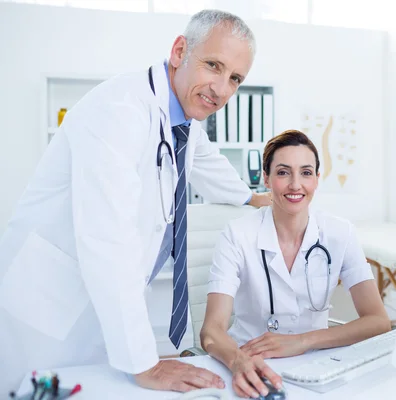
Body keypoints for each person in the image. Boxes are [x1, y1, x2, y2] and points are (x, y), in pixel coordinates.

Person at [0, 9, 271, 395]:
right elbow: (108, 240)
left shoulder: (184, 119)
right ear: (180, 51)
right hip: (45, 303)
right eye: (214, 65)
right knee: (27, 390)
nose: (222, 89)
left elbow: (207, 163)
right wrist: (145, 364)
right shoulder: (119, 112)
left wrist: (253, 197)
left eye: (235, 79)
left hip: (94, 306)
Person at [200, 130, 391, 398]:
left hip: (318, 365)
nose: (295, 184)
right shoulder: (237, 234)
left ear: (316, 179)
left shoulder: (339, 233)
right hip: (250, 361)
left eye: (306, 172)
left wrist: (302, 341)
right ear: (265, 178)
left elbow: (378, 321)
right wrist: (239, 362)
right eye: (282, 172)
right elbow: (211, 331)